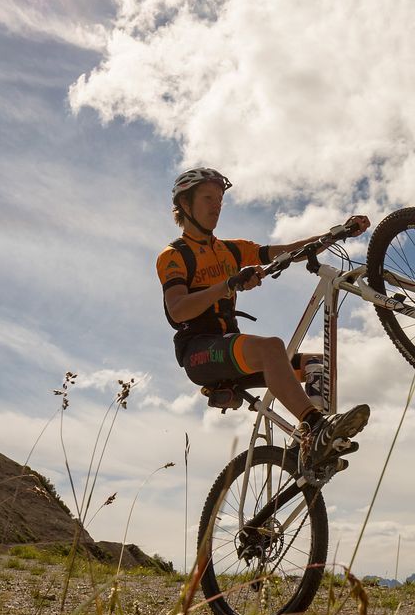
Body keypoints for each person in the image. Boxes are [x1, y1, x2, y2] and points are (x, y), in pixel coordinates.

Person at [156, 167, 370, 471]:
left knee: (318, 364)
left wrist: (335, 234)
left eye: (219, 199)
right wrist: (229, 284)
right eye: (207, 198)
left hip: (232, 348)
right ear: (185, 205)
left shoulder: (230, 250)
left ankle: (309, 445)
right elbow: (178, 310)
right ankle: (315, 425)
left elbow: (286, 253)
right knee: (271, 347)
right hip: (199, 351)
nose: (216, 205)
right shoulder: (174, 255)